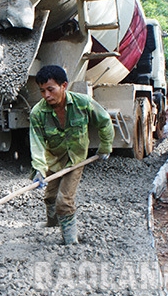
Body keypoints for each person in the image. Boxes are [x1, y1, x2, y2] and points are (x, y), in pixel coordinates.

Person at [29, 65, 114, 245]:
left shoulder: (83, 103)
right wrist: (38, 168)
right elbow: (36, 142)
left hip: (75, 159)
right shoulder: (38, 113)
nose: (46, 96)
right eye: (42, 91)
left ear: (64, 86)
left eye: (50, 90)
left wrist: (105, 147)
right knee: (49, 197)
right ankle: (52, 223)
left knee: (64, 201)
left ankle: (70, 241)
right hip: (52, 159)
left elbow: (105, 121)